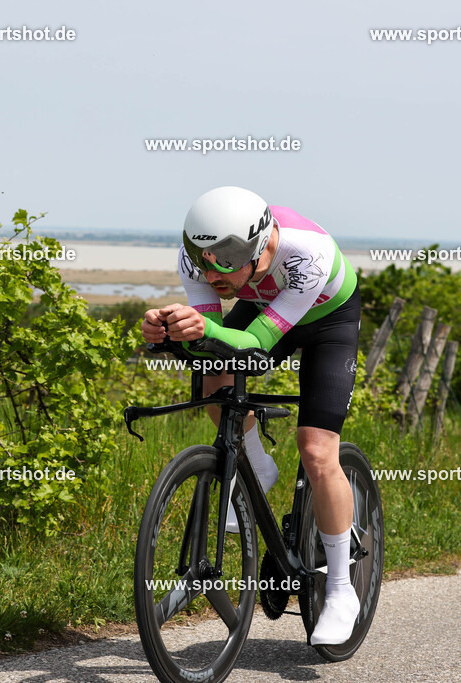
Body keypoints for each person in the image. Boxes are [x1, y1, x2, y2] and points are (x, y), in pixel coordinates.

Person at [141, 186, 362, 647]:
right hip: (267, 307)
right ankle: (258, 467)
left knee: (316, 450)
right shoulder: (199, 258)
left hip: (328, 321)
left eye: (226, 262)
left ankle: (342, 590)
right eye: (202, 260)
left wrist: (205, 328)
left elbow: (258, 343)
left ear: (259, 248)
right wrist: (169, 332)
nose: (211, 273)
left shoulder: (307, 254)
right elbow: (208, 344)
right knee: (214, 376)